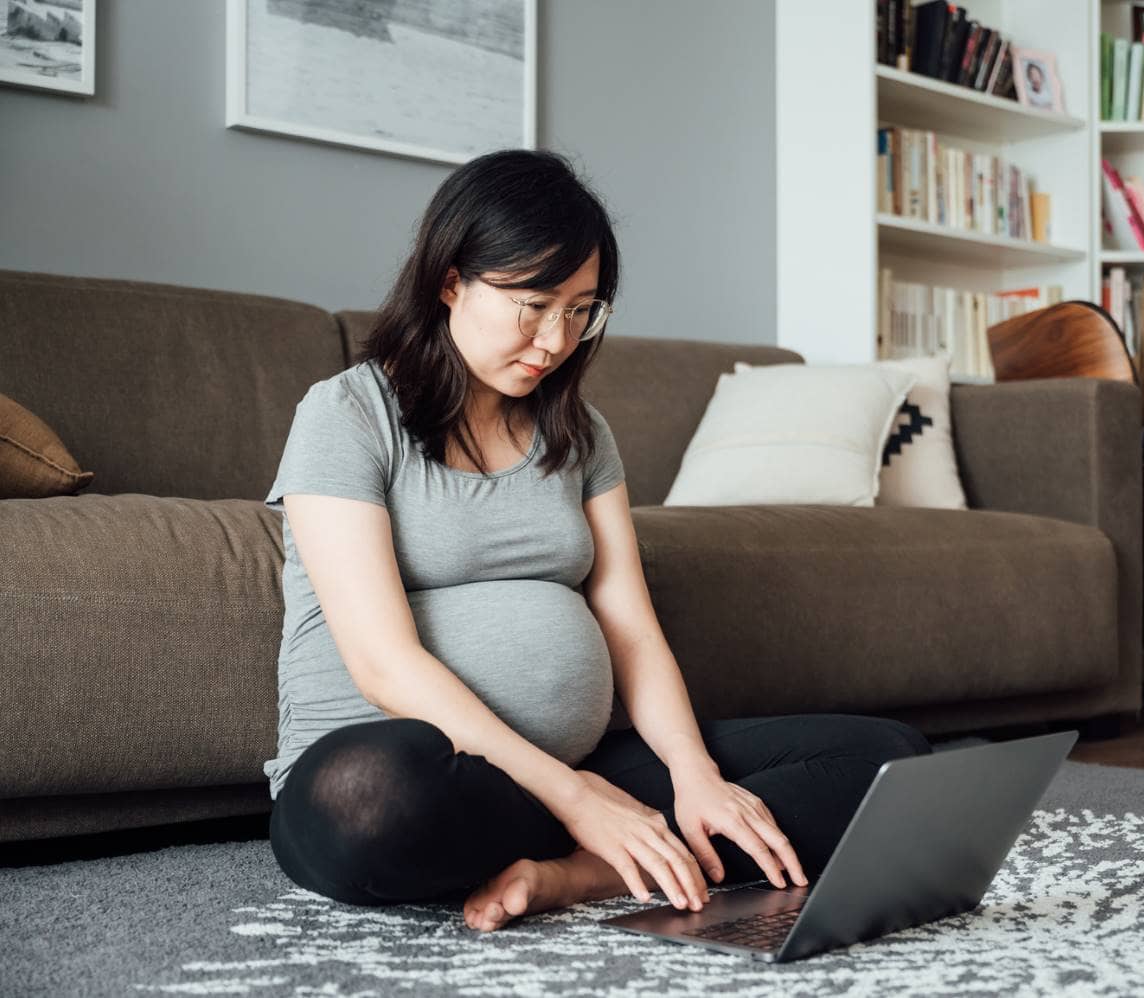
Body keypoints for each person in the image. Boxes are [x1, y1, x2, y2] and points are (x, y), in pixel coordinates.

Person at [262, 148, 932, 933]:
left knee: (888, 757)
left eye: (582, 311)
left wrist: (694, 775)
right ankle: (616, 836)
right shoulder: (345, 414)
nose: (557, 339)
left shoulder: (579, 432)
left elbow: (631, 630)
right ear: (451, 281)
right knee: (372, 803)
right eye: (536, 304)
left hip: (582, 770)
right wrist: (574, 797)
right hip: (419, 775)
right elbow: (384, 665)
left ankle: (584, 873)